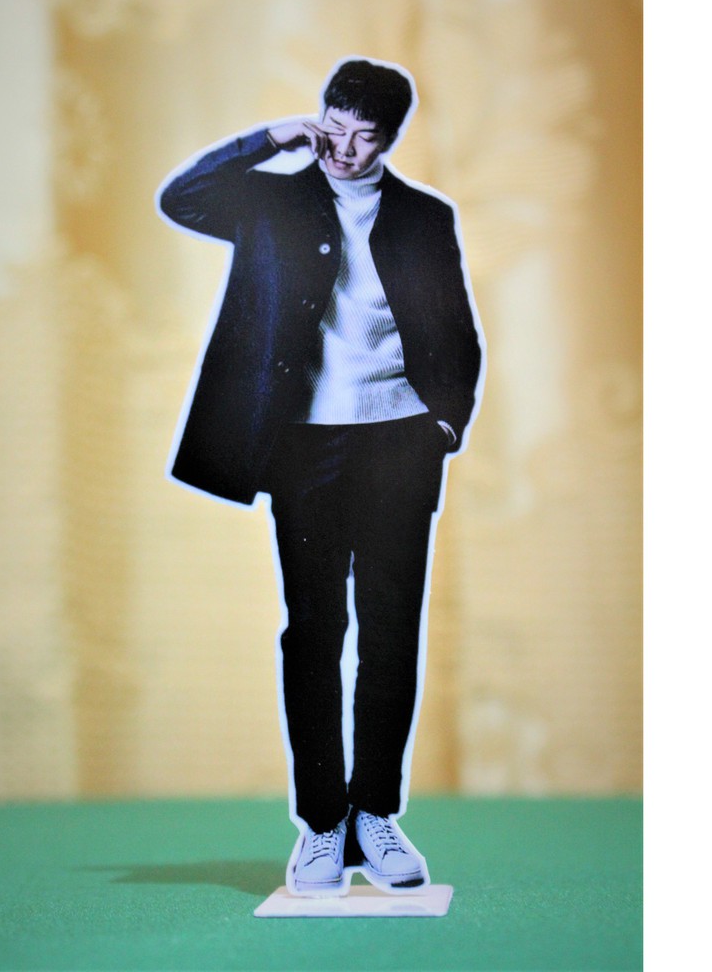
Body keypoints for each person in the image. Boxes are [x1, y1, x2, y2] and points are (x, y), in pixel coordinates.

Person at [157, 57, 484, 897]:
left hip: (399, 444)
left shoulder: (426, 217)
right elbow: (181, 198)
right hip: (304, 446)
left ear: (391, 139)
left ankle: (376, 813)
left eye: (360, 136)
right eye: (330, 126)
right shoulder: (271, 201)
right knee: (313, 631)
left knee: (390, 631)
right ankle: (321, 822)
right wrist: (271, 139)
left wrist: (444, 425)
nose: (340, 147)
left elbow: (457, 332)